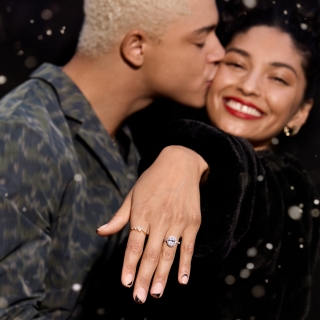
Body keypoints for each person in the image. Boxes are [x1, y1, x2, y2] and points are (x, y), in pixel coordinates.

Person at [0, 0, 225, 318]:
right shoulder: (23, 133)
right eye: (201, 40)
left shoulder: (122, 137)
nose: (219, 52)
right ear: (136, 47)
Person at [95, 5, 320, 320]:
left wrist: (187, 152)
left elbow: (247, 179)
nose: (249, 86)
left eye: (278, 79)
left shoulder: (288, 189)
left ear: (300, 112)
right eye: (237, 63)